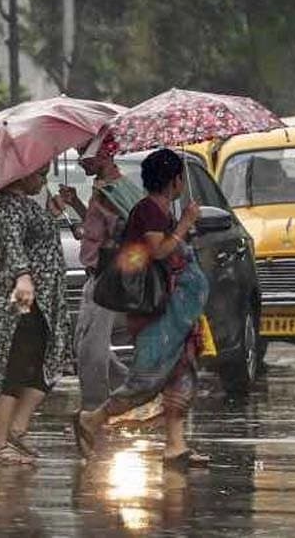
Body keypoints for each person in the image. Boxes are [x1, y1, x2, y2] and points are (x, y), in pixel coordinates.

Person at [75, 149, 210, 471]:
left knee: (181, 374)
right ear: (175, 180)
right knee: (147, 379)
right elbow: (159, 251)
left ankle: (176, 447)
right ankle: (93, 419)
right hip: (156, 311)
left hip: (177, 312)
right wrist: (186, 224)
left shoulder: (163, 211)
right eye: (180, 178)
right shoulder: (148, 211)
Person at [0, 167, 71, 465]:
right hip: (19, 301)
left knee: (43, 360)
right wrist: (23, 277)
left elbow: (34, 238)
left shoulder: (25, 203)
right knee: (14, 365)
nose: (43, 180)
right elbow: (13, 245)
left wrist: (51, 214)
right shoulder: (5, 205)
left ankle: (16, 430)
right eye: (39, 174)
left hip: (42, 301)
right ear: (20, 174)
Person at [62, 136, 146, 411]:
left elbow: (126, 231)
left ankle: (94, 408)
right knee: (83, 341)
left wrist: (108, 244)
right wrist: (76, 206)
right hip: (95, 276)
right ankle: (136, 391)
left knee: (90, 349)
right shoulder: (103, 189)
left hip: (107, 277)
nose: (79, 160)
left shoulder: (115, 190)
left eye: (83, 154)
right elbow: (99, 227)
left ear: (103, 156)